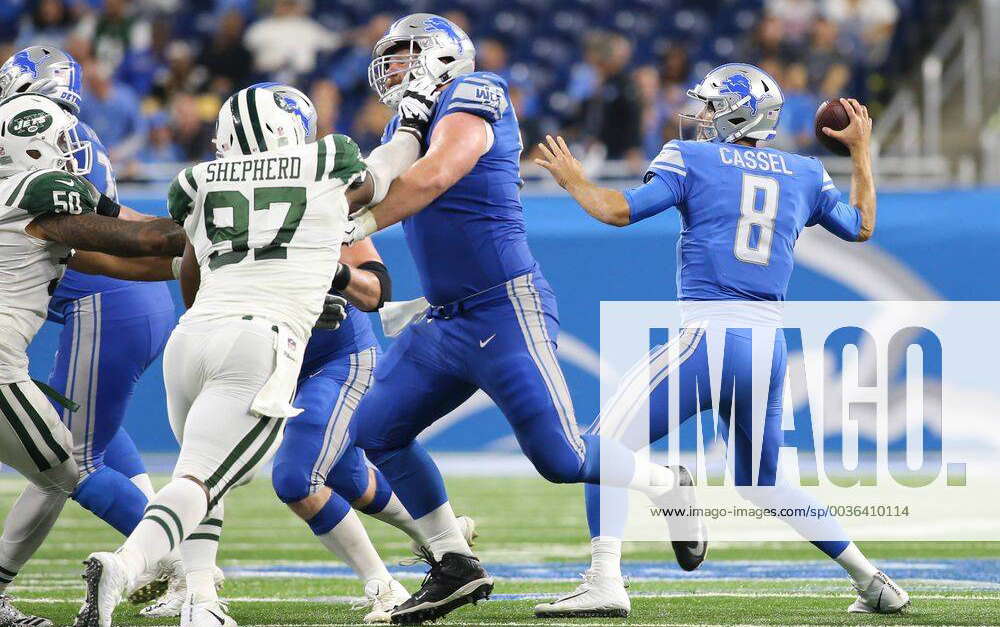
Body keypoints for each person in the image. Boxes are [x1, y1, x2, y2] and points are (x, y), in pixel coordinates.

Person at [345, 13, 705, 624]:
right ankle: (453, 562)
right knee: (374, 431)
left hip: (504, 307)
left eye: (409, 54)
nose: (396, 67)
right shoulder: (411, 117)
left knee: (561, 459)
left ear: (443, 56)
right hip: (445, 319)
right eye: (393, 56)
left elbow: (434, 176)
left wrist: (351, 224)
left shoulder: (475, 91)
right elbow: (383, 173)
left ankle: (667, 480)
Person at [532, 63, 910, 617]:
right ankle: (872, 579)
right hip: (767, 348)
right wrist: (859, 153)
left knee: (604, 446)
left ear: (737, 111)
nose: (702, 116)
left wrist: (571, 180)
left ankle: (606, 577)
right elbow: (861, 227)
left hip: (708, 338)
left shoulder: (692, 157)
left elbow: (617, 211)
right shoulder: (803, 172)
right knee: (762, 483)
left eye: (711, 106)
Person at [72, 76, 444, 627]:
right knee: (204, 482)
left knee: (199, 473)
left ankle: (200, 603)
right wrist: (413, 121)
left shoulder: (198, 181)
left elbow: (181, 268)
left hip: (194, 339)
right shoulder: (324, 166)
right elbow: (387, 169)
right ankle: (126, 566)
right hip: (262, 340)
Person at [0, 92, 185, 627]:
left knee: (58, 471)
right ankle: (186, 565)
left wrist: (194, 264)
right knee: (72, 470)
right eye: (59, 142)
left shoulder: (20, 202)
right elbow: (140, 237)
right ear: (32, 149)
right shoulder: (35, 189)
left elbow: (116, 261)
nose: (69, 151)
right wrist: (210, 232)